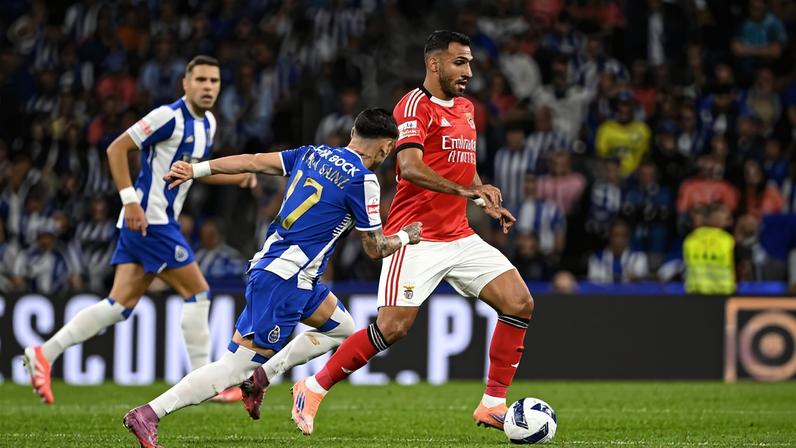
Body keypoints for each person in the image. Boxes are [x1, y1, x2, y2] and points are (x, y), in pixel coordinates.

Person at [123, 108, 422, 446]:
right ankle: (149, 413)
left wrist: (196, 169)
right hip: (286, 280)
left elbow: (252, 160)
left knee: (342, 329)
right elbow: (375, 248)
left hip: (288, 273)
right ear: (386, 148)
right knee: (232, 368)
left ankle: (262, 377)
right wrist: (407, 237)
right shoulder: (363, 179)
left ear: (353, 132)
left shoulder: (312, 154)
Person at [288, 30, 531, 436]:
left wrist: (481, 191)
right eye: (460, 62)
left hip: (459, 234)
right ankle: (311, 387)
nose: (468, 71)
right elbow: (413, 167)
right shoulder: (412, 106)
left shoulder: (467, 109)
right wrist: (466, 190)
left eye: (469, 63)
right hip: (415, 235)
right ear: (434, 63)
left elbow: (460, 164)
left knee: (519, 302)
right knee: (394, 327)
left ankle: (492, 404)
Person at [22, 55, 254, 405]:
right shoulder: (168, 117)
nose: (208, 87)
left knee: (118, 305)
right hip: (149, 220)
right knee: (199, 293)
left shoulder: (208, 124)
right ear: (185, 83)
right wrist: (129, 201)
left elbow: (195, 169)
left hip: (155, 222)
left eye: (214, 81)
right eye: (201, 80)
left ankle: (44, 352)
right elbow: (117, 148)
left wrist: (240, 175)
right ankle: (209, 384)